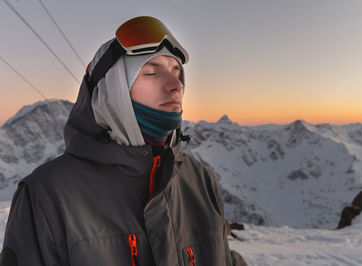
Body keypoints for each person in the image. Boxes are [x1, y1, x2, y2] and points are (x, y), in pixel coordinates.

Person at [0, 16, 232, 266]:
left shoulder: (201, 182)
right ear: (112, 91)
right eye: (151, 72)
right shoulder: (46, 195)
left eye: (177, 72)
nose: (176, 85)